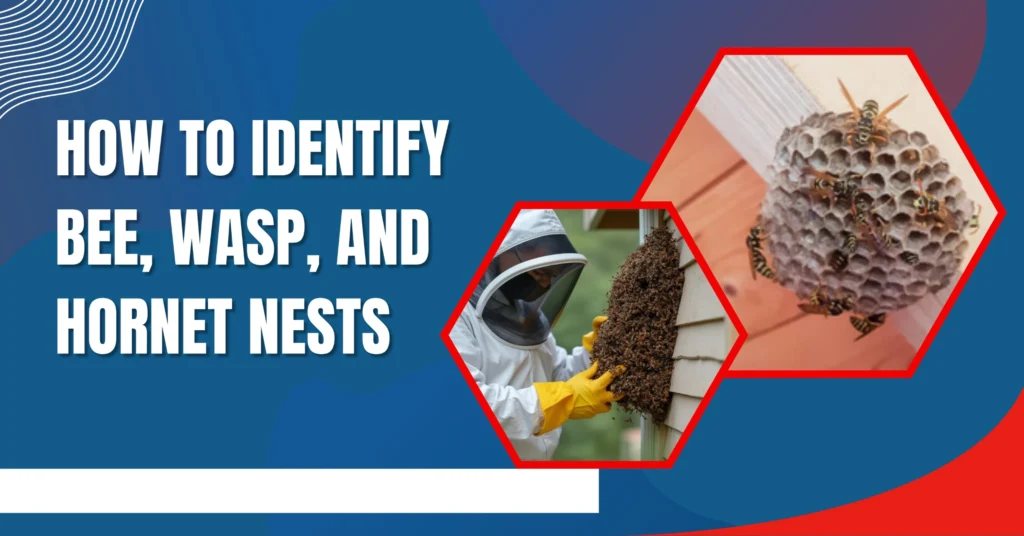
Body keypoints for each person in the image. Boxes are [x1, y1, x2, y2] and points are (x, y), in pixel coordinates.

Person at [450, 209, 625, 461]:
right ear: (501, 252)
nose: (544, 285)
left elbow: (559, 377)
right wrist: (561, 401)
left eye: (551, 276)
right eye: (539, 273)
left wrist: (597, 352)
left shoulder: (527, 318)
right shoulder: (457, 318)